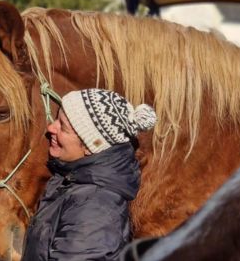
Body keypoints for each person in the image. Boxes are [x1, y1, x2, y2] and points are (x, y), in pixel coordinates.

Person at [21, 88, 157, 261]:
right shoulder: (74, 186)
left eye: (63, 126)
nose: (50, 128)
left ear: (89, 146)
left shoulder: (96, 207)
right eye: (57, 118)